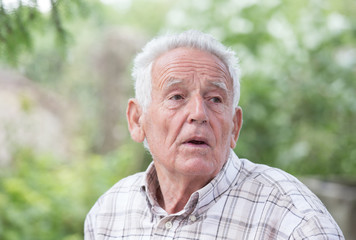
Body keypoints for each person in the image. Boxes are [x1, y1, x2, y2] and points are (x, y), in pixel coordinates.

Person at [84, 30, 344, 239]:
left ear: (235, 126)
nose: (199, 113)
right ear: (137, 119)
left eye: (215, 99)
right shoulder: (109, 212)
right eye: (176, 96)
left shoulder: (291, 217)